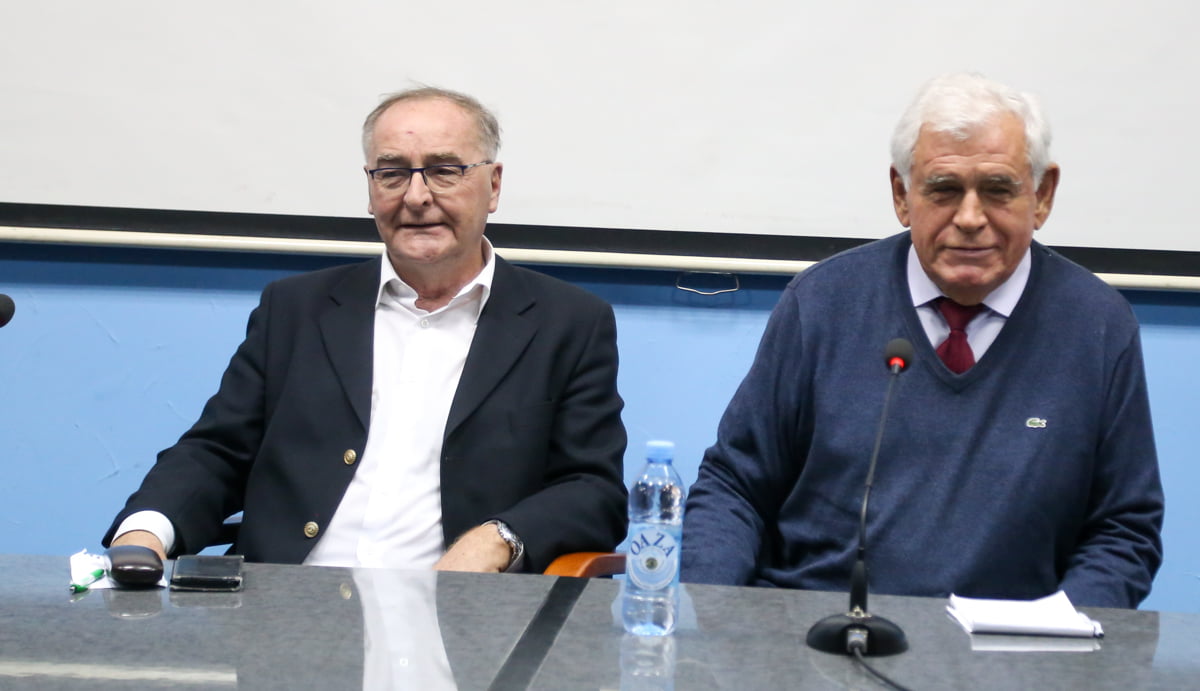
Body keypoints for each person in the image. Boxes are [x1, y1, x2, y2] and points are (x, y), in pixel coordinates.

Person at [681, 73, 1164, 608]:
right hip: (817, 632)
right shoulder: (822, 303)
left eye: (998, 190)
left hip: (1011, 644)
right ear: (902, 195)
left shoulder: (1097, 325)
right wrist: (722, 620)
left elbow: (1123, 532)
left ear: (1042, 196)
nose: (970, 218)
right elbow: (735, 487)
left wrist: (1060, 632)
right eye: (944, 189)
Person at [104, 87, 628, 573]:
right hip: (284, 612)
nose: (416, 197)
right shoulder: (296, 309)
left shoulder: (567, 323)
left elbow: (593, 491)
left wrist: (498, 538)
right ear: (371, 189)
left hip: (455, 617)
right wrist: (146, 532)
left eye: (444, 171)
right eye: (392, 174)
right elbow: (217, 451)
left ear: (492, 186)